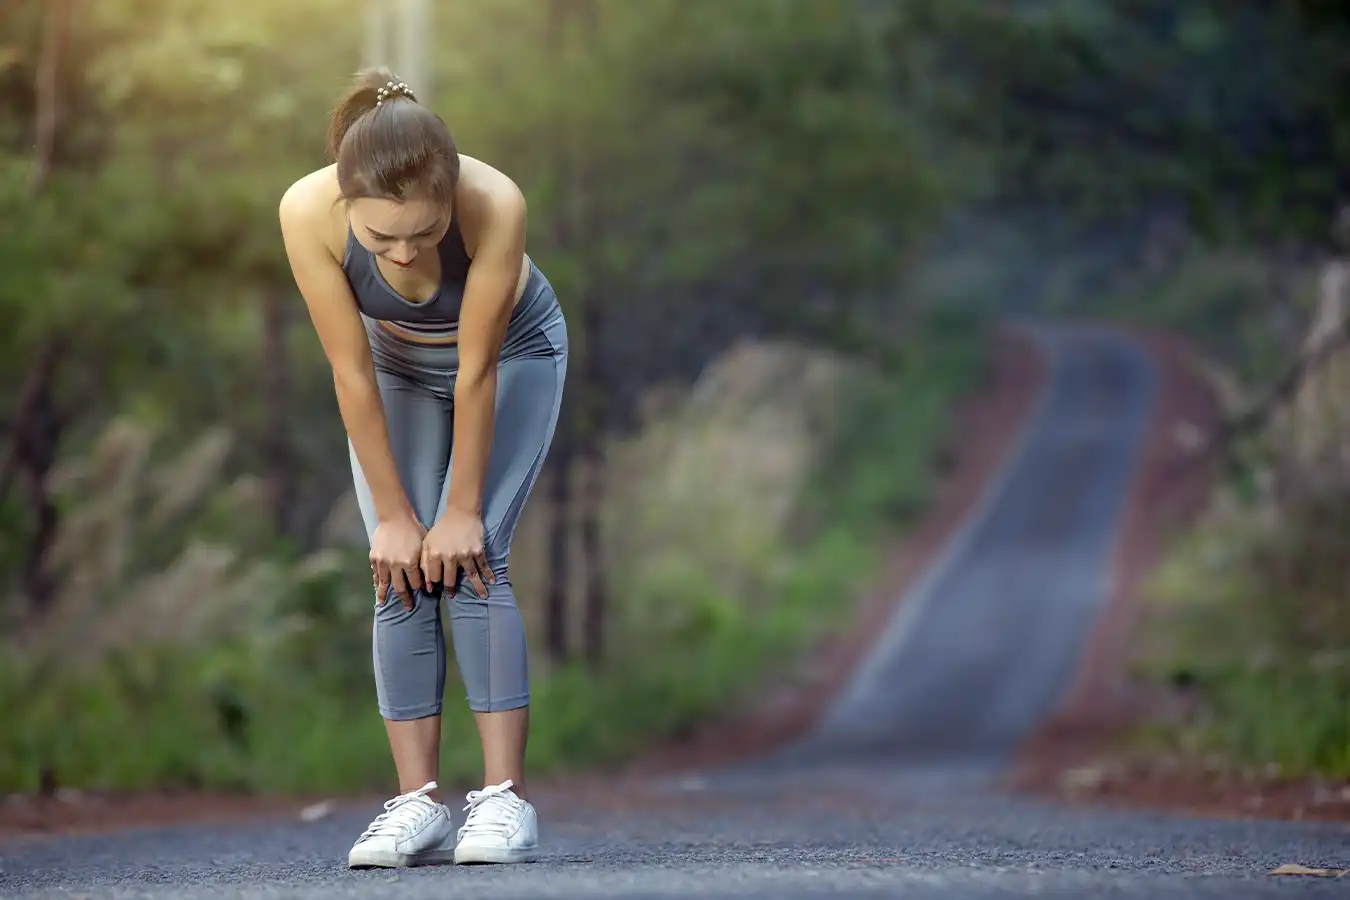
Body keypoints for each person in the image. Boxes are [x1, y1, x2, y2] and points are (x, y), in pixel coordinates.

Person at [278, 68, 567, 869]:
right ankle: (416, 806)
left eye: (423, 230)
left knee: (473, 556)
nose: (403, 253)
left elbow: (477, 371)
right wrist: (398, 517)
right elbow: (350, 372)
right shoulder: (305, 213)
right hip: (393, 371)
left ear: (450, 188)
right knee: (397, 564)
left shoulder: (495, 202)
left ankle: (505, 801)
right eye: (380, 240)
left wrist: (460, 508)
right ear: (345, 204)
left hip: (512, 357)